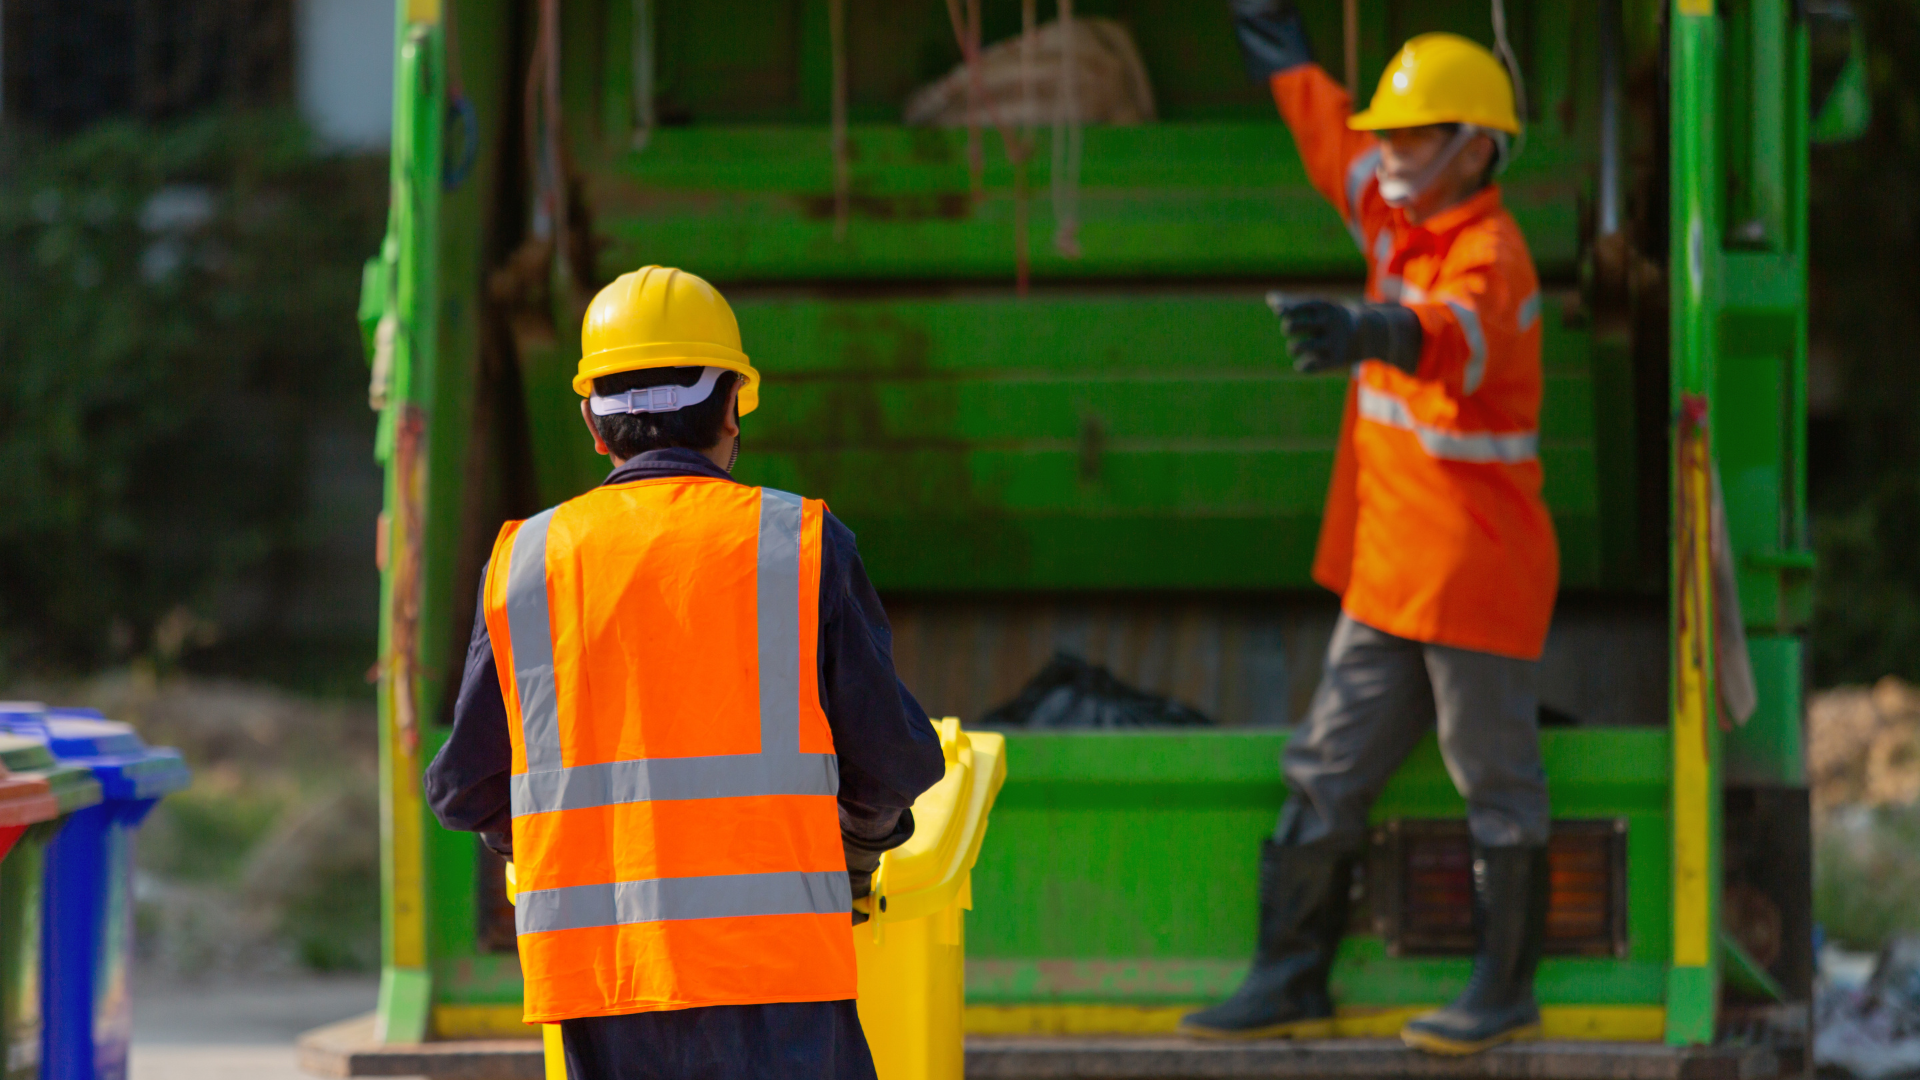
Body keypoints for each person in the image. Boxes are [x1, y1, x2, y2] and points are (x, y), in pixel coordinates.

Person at [425, 265, 947, 1080]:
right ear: (730, 408)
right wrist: (853, 857)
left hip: (603, 987)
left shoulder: (526, 564)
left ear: (595, 425)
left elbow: (467, 789)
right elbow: (893, 763)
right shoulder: (798, 545)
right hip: (783, 981)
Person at [1179, 1, 1559, 1056]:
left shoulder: (1494, 258)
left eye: (1411, 137)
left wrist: (1363, 330)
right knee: (1325, 768)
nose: (1386, 156)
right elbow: (1327, 131)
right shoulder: (1396, 210)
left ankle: (1501, 990)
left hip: (1472, 579)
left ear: (1476, 147)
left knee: (1497, 783)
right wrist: (1274, 39)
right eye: (1387, 135)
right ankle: (1289, 978)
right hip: (1393, 575)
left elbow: (1448, 335)